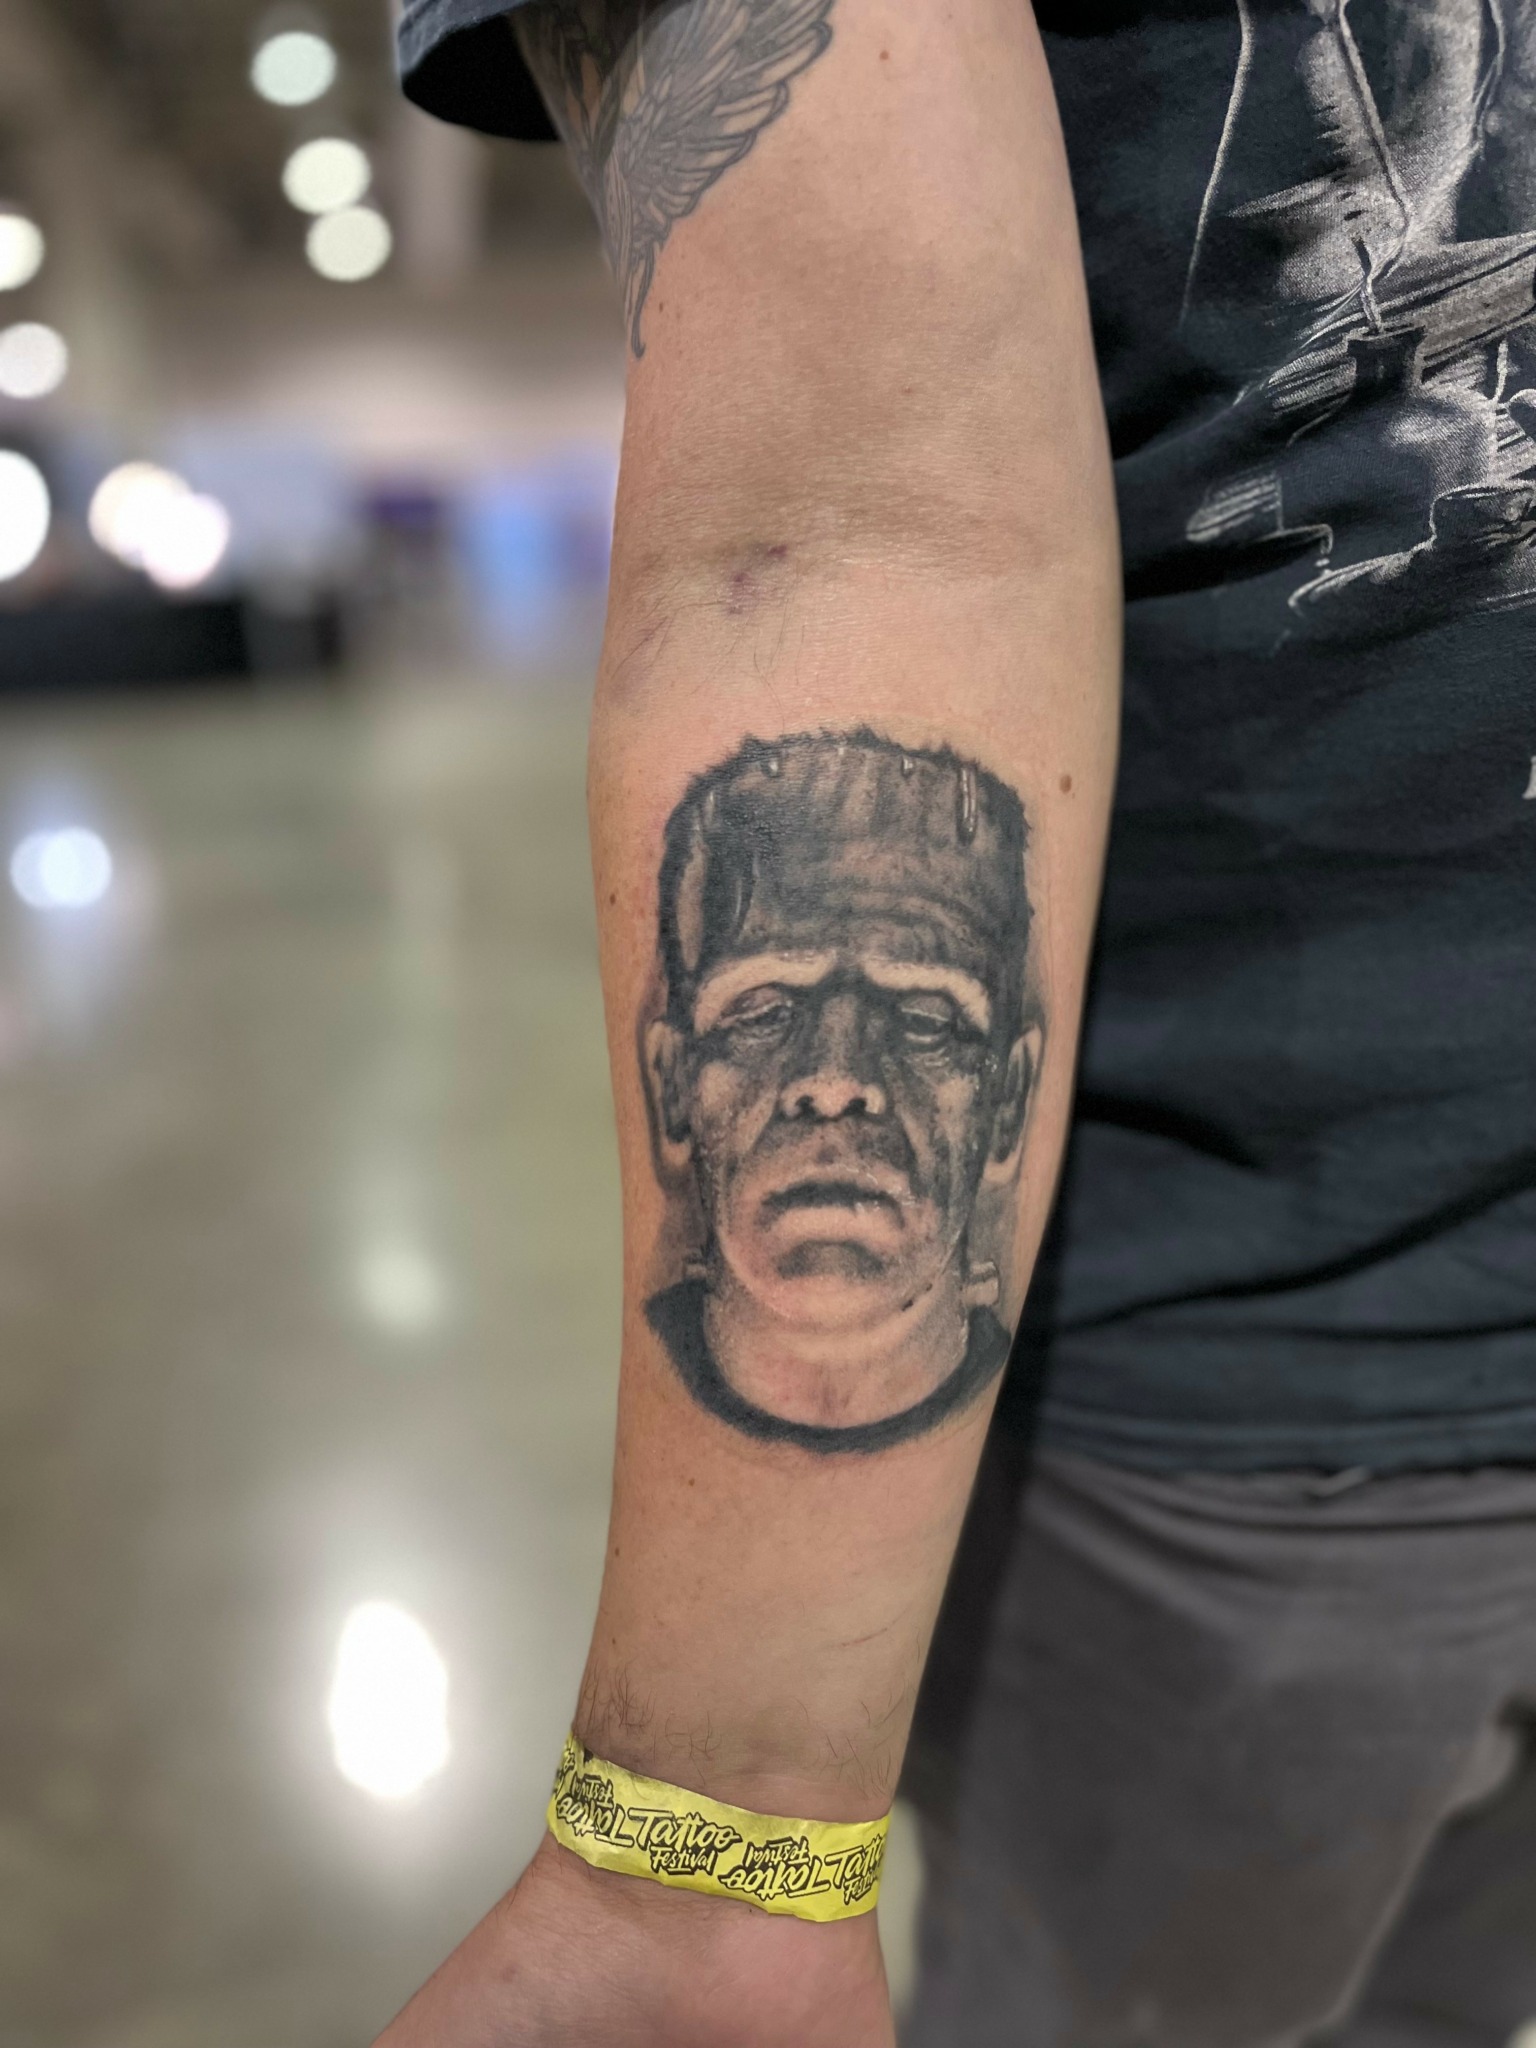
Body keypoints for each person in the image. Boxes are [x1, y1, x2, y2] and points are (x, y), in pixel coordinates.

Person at [382, 3, 1536, 2044]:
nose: (835, 1080)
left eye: (910, 1026)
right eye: (773, 1015)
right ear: (678, 1074)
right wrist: (721, 1833)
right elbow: (845, 537)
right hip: (1248, 1411)